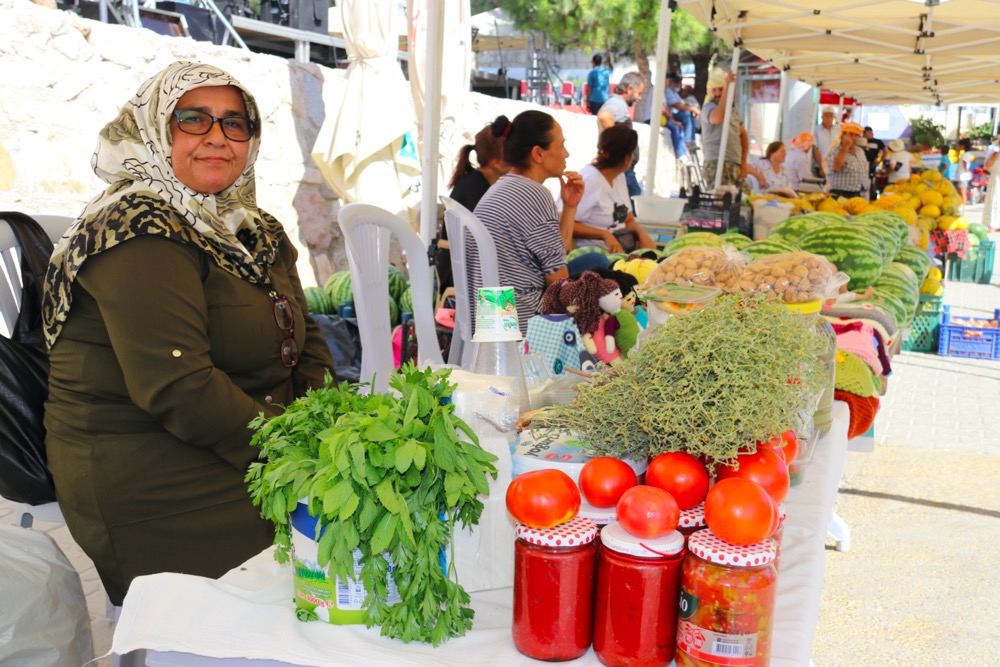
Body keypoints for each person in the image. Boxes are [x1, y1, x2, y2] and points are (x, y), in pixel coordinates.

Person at [42, 61, 335, 606]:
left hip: (240, 442)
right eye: (193, 119)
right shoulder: (134, 228)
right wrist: (299, 453)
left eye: (234, 123)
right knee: (332, 546)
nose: (217, 138)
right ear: (154, 127)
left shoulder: (252, 228)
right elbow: (179, 385)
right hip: (149, 468)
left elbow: (307, 340)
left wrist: (332, 430)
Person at [468, 111, 584, 335]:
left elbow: (556, 257)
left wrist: (570, 207)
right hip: (519, 321)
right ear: (538, 153)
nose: (566, 153)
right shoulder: (534, 194)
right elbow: (558, 282)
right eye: (561, 145)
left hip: (492, 313)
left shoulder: (502, 187)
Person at [435, 118, 510, 294]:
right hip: (473, 285)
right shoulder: (479, 191)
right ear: (497, 162)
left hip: (471, 278)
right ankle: (504, 323)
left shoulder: (477, 183)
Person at [566, 125, 657, 253]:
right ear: (627, 158)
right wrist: (604, 234)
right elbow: (565, 223)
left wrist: (642, 235)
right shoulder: (589, 179)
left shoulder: (619, 176)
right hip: (595, 256)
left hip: (622, 253)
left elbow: (629, 219)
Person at [597, 71, 646, 204]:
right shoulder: (617, 104)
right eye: (639, 93)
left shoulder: (618, 104)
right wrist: (618, 149)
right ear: (629, 89)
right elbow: (603, 116)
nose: (639, 98)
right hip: (621, 168)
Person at [702, 68, 750, 191]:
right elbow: (718, 118)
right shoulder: (709, 107)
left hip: (734, 163)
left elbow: (743, 135)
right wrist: (727, 87)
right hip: (717, 162)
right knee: (721, 202)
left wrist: (743, 162)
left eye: (721, 89)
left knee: (743, 200)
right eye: (714, 90)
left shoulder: (734, 110)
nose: (717, 93)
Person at [828, 121, 870, 199]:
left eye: (856, 135)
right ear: (843, 135)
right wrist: (845, 147)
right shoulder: (835, 150)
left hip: (860, 194)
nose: (853, 138)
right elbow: (836, 168)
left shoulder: (860, 151)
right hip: (841, 194)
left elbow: (865, 172)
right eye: (850, 134)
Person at [664, 72, 699, 143]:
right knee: (687, 114)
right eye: (675, 81)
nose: (677, 84)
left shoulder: (675, 93)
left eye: (679, 82)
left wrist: (693, 110)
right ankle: (687, 141)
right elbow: (678, 105)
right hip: (671, 115)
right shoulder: (668, 91)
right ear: (670, 81)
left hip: (678, 114)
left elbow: (684, 104)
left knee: (689, 113)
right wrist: (694, 109)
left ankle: (692, 140)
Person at [812, 106, 839, 180]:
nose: (829, 118)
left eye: (831, 116)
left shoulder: (838, 129)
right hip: (820, 166)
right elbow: (815, 149)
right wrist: (822, 167)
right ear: (822, 117)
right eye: (826, 116)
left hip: (834, 166)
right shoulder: (816, 130)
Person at [983, 137, 1000, 231]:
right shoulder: (995, 153)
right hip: (996, 180)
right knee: (995, 199)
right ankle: (993, 224)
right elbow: (987, 165)